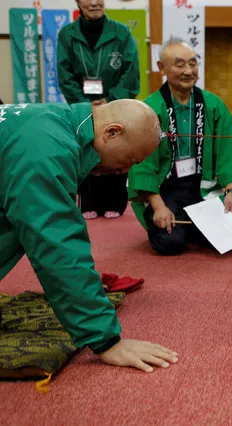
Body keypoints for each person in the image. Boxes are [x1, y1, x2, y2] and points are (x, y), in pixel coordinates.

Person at [0, 99, 178, 372]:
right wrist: (106, 340)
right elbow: (56, 244)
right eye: (130, 159)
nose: (126, 170)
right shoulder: (46, 151)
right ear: (112, 133)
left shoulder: (58, 121)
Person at [127, 39, 232, 256]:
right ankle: (181, 224)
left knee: (228, 241)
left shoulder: (213, 104)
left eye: (193, 64)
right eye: (179, 65)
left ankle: (193, 225)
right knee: (171, 243)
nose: (188, 71)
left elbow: (228, 151)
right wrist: (158, 206)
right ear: (162, 68)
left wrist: (231, 190)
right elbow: (142, 164)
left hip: (202, 187)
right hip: (166, 188)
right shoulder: (150, 109)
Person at [58, 0, 140, 220]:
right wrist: (86, 103)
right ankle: (88, 201)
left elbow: (131, 72)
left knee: (116, 146)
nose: (94, 2)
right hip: (82, 106)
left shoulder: (121, 33)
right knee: (86, 146)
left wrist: (110, 100)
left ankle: (115, 200)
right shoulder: (67, 35)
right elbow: (65, 74)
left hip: (114, 103)